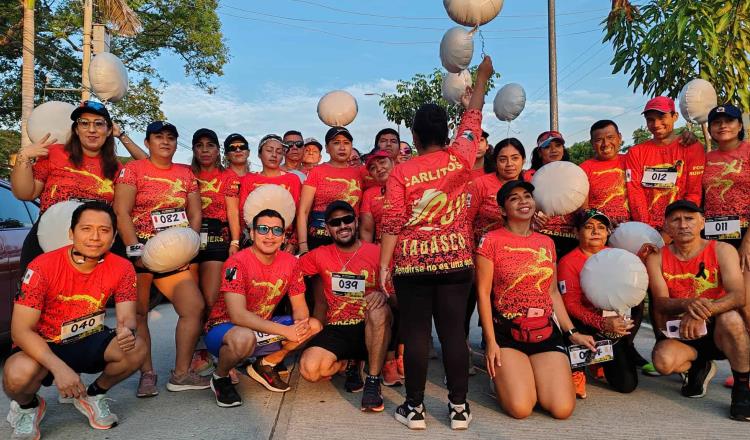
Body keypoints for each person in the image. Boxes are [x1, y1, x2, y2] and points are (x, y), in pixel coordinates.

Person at [379, 55, 493, 431]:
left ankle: (414, 409)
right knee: (453, 335)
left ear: (412, 136)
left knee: (415, 336)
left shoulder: (401, 171)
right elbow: (473, 117)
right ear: (446, 132)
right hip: (456, 263)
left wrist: (384, 266)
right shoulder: (460, 156)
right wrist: (481, 79)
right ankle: (458, 408)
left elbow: (393, 222)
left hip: (412, 265)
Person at [3, 202, 145, 438]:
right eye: (86, 229)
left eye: (104, 230)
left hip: (87, 338)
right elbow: (21, 331)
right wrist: (59, 369)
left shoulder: (123, 268)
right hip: (43, 343)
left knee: (137, 348)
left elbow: (127, 317)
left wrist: (126, 330)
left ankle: (94, 395)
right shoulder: (41, 267)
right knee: (16, 375)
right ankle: (27, 408)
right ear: (71, 233)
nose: (95, 237)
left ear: (113, 237)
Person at [476, 180, 596, 420]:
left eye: (527, 196)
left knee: (562, 409)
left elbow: (552, 293)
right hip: (508, 334)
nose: (523, 201)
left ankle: (526, 378)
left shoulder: (547, 243)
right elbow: (483, 293)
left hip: (544, 331)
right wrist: (491, 343)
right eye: (514, 198)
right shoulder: (491, 240)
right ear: (502, 210)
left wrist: (571, 331)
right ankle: (502, 380)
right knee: (521, 408)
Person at [114, 121, 208, 397]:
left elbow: (195, 214)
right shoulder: (132, 170)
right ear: (147, 142)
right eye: (158, 137)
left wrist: (188, 246)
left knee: (194, 308)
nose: (165, 142)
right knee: (140, 313)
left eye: (170, 138)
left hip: (173, 253)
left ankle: (180, 374)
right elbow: (122, 213)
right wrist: (135, 251)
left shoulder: (185, 173)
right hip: (140, 252)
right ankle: (147, 373)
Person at [204, 209, 321, 407]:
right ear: (252, 233)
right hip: (225, 330)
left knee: (313, 325)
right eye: (263, 229)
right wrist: (285, 331)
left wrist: (299, 327)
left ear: (284, 237)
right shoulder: (236, 263)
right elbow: (238, 315)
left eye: (276, 231)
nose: (269, 236)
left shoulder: (292, 263)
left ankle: (266, 364)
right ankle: (220, 377)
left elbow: (300, 306)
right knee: (243, 337)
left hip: (261, 328)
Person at [11, 101, 146, 271]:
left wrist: (122, 135)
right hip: (50, 237)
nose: (91, 130)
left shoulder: (116, 167)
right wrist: (23, 157)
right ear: (76, 129)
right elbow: (25, 193)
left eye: (99, 124)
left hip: (98, 245)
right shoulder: (53, 153)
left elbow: (149, 168)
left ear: (109, 130)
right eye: (84, 123)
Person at [646, 200, 750, 421]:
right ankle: (698, 365)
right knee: (663, 361)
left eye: (690, 218)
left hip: (718, 329)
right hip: (683, 332)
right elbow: (660, 302)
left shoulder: (722, 249)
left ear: (702, 222)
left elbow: (738, 295)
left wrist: (702, 311)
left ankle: (742, 388)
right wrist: (686, 304)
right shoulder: (657, 256)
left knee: (731, 318)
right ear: (666, 226)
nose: (683, 224)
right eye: (676, 219)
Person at [297, 201, 391, 413]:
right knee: (309, 370)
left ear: (356, 222)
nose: (343, 225)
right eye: (335, 222)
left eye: (347, 219)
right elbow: (288, 271)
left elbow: (398, 297)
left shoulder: (377, 253)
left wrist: (383, 294)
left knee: (377, 311)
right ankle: (349, 363)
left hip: (372, 326)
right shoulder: (320, 254)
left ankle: (373, 383)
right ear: (328, 228)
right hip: (339, 327)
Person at [558, 209, 641, 399]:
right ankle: (576, 369)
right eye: (589, 227)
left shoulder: (618, 256)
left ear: (608, 233)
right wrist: (600, 323)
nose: (596, 231)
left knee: (627, 385)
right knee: (568, 316)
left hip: (611, 322)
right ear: (576, 232)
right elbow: (569, 304)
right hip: (582, 323)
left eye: (601, 227)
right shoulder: (568, 262)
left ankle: (600, 360)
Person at [190, 128, 241, 375]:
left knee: (211, 300)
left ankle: (219, 353)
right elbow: (146, 159)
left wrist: (235, 242)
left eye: (210, 145)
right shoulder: (186, 173)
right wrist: (121, 135)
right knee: (192, 302)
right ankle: (196, 351)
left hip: (217, 239)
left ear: (218, 150)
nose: (205, 150)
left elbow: (232, 211)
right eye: (199, 146)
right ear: (193, 150)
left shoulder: (228, 176)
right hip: (187, 239)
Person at [625, 97, 705, 231]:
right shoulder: (635, 152)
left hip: (683, 228)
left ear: (675, 116)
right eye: (650, 119)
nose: (656, 124)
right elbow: (635, 194)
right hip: (647, 230)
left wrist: (672, 230)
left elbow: (694, 192)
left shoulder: (692, 147)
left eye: (662, 117)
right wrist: (647, 230)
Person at [297, 127, 363, 252]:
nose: (342, 147)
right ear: (327, 148)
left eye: (346, 143)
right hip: (320, 240)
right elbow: (303, 211)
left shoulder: (359, 173)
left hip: (350, 241)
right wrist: (303, 245)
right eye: (336, 143)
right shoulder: (316, 172)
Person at [529, 131, 578, 258]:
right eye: (547, 147)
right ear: (539, 152)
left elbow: (583, 206)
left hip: (571, 238)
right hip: (540, 236)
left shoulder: (574, 173)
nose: (554, 150)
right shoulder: (528, 176)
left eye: (558, 145)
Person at [237, 134, 303, 227]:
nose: (274, 155)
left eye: (279, 152)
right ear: (259, 154)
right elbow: (242, 211)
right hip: (255, 235)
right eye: (269, 150)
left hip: (285, 236)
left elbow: (298, 212)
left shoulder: (292, 179)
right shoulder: (249, 179)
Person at [580, 120, 630, 225]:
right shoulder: (584, 169)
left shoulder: (631, 161)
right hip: (600, 230)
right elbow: (582, 208)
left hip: (633, 229)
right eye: (599, 140)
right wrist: (602, 223)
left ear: (619, 138)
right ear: (592, 143)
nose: (605, 144)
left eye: (610, 137)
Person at [360, 150, 394, 244]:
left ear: (392, 162)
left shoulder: (408, 183)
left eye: (382, 162)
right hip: (381, 250)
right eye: (373, 168)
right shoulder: (369, 194)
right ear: (371, 175)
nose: (379, 169)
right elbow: (367, 230)